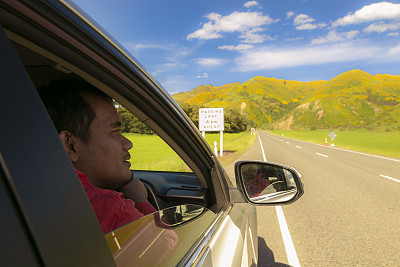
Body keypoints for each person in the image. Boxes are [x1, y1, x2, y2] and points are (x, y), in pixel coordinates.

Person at [38, 79, 156, 234]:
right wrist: (139, 198)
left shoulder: (35, 193)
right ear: (69, 145)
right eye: (115, 131)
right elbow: (169, 246)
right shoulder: (110, 209)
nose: (128, 144)